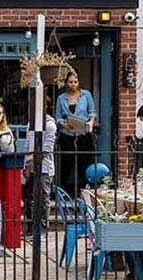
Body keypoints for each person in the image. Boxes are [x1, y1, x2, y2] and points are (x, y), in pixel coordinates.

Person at [55, 71, 98, 195]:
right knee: (66, 164)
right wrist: (63, 124)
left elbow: (92, 112)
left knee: (83, 164)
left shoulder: (86, 95)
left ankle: (85, 192)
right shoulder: (61, 98)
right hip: (67, 134)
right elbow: (58, 117)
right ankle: (63, 192)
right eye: (70, 82)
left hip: (83, 134)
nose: (73, 84)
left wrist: (90, 122)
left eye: (75, 82)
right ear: (66, 83)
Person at [24, 96, 57, 229]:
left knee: (43, 198)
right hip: (31, 167)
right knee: (28, 198)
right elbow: (27, 145)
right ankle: (30, 226)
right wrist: (26, 166)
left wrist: (30, 158)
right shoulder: (30, 124)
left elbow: (46, 149)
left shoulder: (50, 125)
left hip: (44, 168)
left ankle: (42, 228)